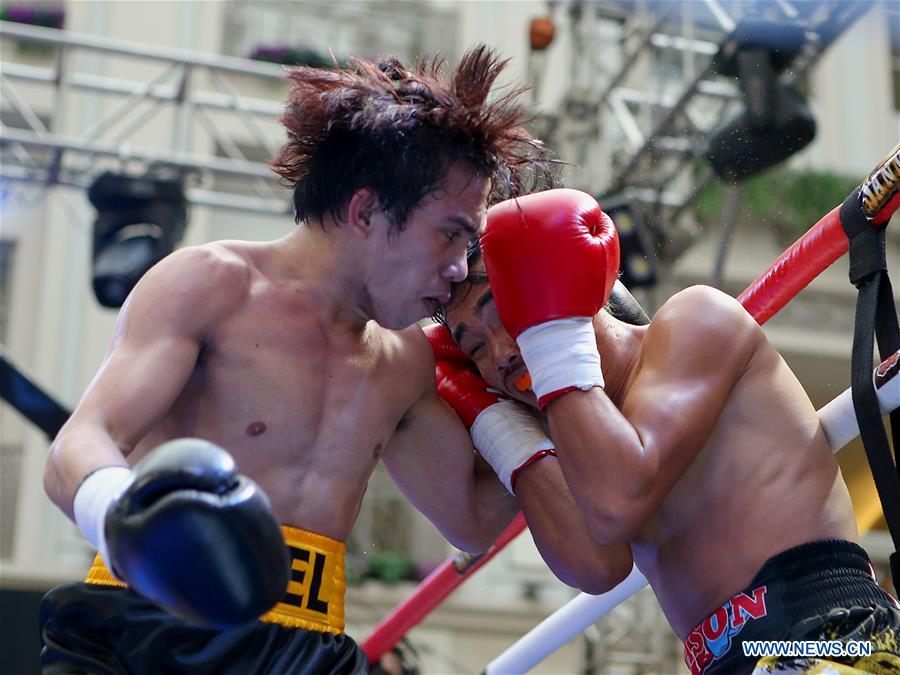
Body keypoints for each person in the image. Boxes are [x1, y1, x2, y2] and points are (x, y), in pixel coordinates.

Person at [39, 46, 549, 675]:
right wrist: (127, 520)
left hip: (306, 649)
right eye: (450, 233)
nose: (457, 268)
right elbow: (77, 447)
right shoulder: (212, 283)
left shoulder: (404, 364)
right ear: (366, 211)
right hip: (149, 626)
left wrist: (555, 388)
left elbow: (472, 521)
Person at [437, 188, 900, 674]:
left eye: (502, 314)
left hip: (829, 636)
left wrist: (551, 334)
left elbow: (618, 502)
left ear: (555, 282)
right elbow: (595, 567)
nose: (500, 355)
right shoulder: (580, 437)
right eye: (474, 351)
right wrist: (500, 427)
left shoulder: (696, 319)